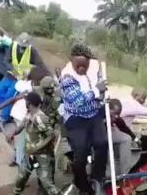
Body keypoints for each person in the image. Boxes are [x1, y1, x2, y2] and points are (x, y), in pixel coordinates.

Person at [60, 44, 108, 195]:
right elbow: (78, 101)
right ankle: (83, 185)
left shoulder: (94, 66)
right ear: (71, 61)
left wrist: (103, 94)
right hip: (75, 117)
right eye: (77, 65)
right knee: (80, 155)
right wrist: (97, 90)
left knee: (102, 143)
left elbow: (102, 84)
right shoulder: (67, 76)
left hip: (93, 113)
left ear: (89, 62)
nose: (81, 68)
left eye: (84, 65)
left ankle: (97, 178)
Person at [7, 91, 62, 195]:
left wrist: (36, 147)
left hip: (43, 155)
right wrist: (13, 133)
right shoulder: (29, 114)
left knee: (46, 182)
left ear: (29, 103)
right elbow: (22, 125)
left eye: (26, 101)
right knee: (21, 177)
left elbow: (51, 135)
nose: (25, 103)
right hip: (29, 155)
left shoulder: (40, 118)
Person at [109, 98, 141, 175]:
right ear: (108, 109)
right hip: (98, 136)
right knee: (125, 139)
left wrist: (136, 139)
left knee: (126, 137)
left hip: (108, 133)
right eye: (114, 113)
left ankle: (124, 173)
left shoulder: (116, 118)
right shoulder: (100, 116)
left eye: (118, 114)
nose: (116, 116)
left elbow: (125, 129)